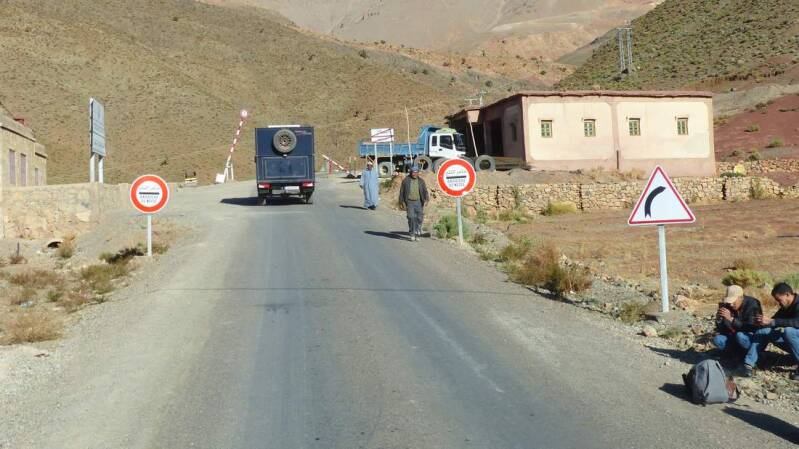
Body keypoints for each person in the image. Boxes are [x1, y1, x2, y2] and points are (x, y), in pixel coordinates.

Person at [712, 285, 763, 377]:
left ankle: (750, 357)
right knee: (717, 339)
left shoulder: (753, 304)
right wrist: (719, 320)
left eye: (733, 301)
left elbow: (751, 328)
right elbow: (723, 330)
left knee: (740, 336)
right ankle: (738, 356)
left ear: (741, 297)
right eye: (729, 302)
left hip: (751, 339)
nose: (731, 304)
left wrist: (731, 319)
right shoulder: (728, 306)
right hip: (734, 337)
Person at [754, 282, 799, 380]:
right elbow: (774, 320)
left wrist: (773, 321)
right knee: (766, 331)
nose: (779, 303)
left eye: (779, 300)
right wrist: (763, 322)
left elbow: (797, 322)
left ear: (787, 294)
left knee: (789, 332)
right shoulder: (785, 307)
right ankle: (751, 361)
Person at [398, 165, 429, 241]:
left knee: (419, 218)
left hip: (419, 202)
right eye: (413, 172)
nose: (414, 174)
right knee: (411, 217)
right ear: (411, 172)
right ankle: (412, 233)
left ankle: (417, 232)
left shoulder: (421, 181)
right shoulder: (406, 180)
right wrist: (401, 202)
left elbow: (425, 191)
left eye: (416, 172)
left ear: (418, 173)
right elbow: (402, 191)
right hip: (409, 202)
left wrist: (426, 199)